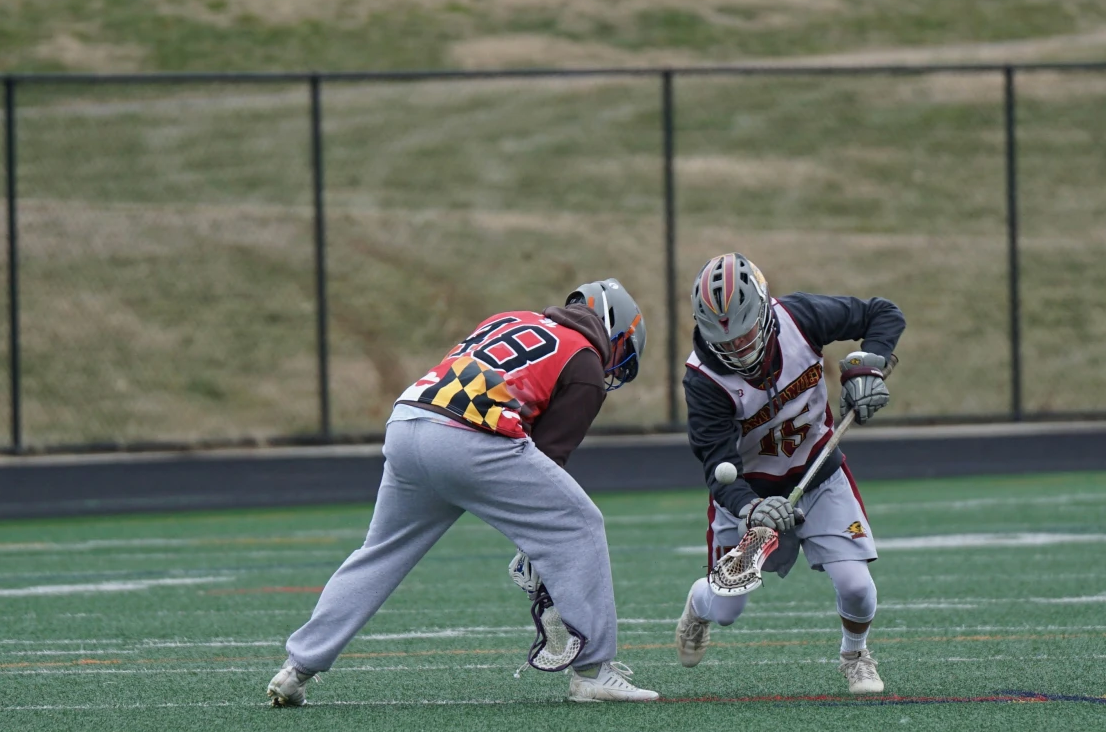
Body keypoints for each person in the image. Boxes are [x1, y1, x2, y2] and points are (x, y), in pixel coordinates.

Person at [268, 281, 656, 705]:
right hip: (466, 437)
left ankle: (297, 667)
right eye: (621, 354)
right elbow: (548, 456)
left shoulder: (509, 318)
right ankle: (595, 670)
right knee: (581, 523)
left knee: (379, 552)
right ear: (611, 329)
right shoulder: (584, 364)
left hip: (407, 422)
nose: (615, 367)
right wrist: (538, 540)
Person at [675, 253, 903, 695]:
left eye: (743, 337)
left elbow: (883, 313)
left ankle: (855, 654)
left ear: (763, 312)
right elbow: (716, 468)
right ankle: (696, 608)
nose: (737, 350)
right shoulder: (704, 381)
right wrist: (753, 508)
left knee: (856, 586)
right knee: (726, 609)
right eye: (726, 344)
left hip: (818, 471)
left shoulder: (800, 317)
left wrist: (868, 366)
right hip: (750, 491)